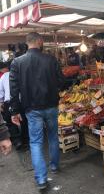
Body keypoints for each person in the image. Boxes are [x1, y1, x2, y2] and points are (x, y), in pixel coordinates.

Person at [9, 32, 65, 190]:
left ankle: (41, 179)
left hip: (32, 108)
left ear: (27, 43)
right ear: (40, 41)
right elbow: (61, 81)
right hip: (51, 106)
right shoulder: (51, 59)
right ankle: (54, 166)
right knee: (53, 137)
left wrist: (14, 111)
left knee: (36, 142)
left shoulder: (17, 62)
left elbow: (14, 90)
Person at [0, 61, 28, 150]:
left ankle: (17, 141)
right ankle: (25, 141)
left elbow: (1, 91)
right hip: (21, 101)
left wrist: (1, 102)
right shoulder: (21, 74)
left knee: (10, 122)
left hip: (8, 103)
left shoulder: (4, 76)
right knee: (24, 121)